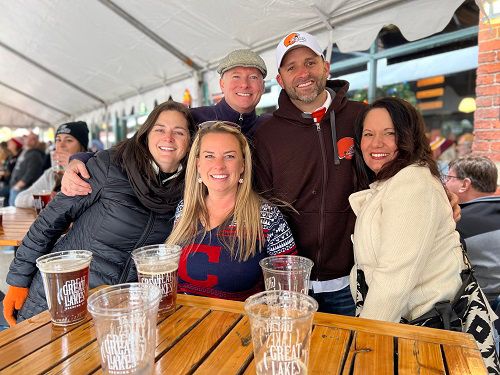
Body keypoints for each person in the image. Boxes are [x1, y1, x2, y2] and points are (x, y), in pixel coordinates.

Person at [3, 101, 195, 326]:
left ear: (190, 140)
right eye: (160, 129)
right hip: (62, 296)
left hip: (120, 311)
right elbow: (50, 220)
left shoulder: (190, 188)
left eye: (179, 132)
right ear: (146, 133)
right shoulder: (111, 165)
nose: (168, 138)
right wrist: (18, 280)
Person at [350, 97, 498, 372]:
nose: (376, 143)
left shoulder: (412, 184)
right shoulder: (396, 180)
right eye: (368, 134)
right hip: (414, 329)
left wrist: (360, 350)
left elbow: (393, 282)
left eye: (389, 133)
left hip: (431, 335)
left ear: (408, 137)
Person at [253, 31, 366, 315]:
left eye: (310, 62)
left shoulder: (362, 117)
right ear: (280, 80)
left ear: (325, 67)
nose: (303, 73)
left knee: (351, 357)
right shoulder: (266, 134)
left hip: (354, 279)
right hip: (290, 282)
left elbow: (395, 169)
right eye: (291, 68)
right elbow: (260, 204)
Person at [61, 49, 267, 197]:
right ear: (222, 83)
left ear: (263, 85)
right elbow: (134, 147)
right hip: (188, 218)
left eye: (253, 77)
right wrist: (79, 159)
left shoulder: (268, 127)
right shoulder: (192, 118)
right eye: (236, 76)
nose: (244, 84)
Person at [166, 121, 296, 300]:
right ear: (197, 165)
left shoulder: (267, 217)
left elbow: (289, 290)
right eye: (209, 156)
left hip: (241, 325)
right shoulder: (184, 210)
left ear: (243, 165)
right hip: (187, 321)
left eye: (229, 156)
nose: (219, 165)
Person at [445, 155, 500, 309]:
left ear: (465, 184)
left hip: (478, 311)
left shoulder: (456, 222)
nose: (445, 183)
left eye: (449, 178)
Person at [15, 121, 89, 208]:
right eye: (58, 140)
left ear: (82, 147)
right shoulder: (52, 173)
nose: (61, 145)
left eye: (69, 140)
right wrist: (44, 199)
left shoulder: (94, 171)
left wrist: (70, 169)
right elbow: (19, 199)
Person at [8, 132, 45, 206]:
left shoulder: (35, 154)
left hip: (22, 190)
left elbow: (31, 174)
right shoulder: (27, 151)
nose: (24, 139)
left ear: (33, 141)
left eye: (27, 138)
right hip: (18, 188)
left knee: (16, 214)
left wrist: (17, 186)